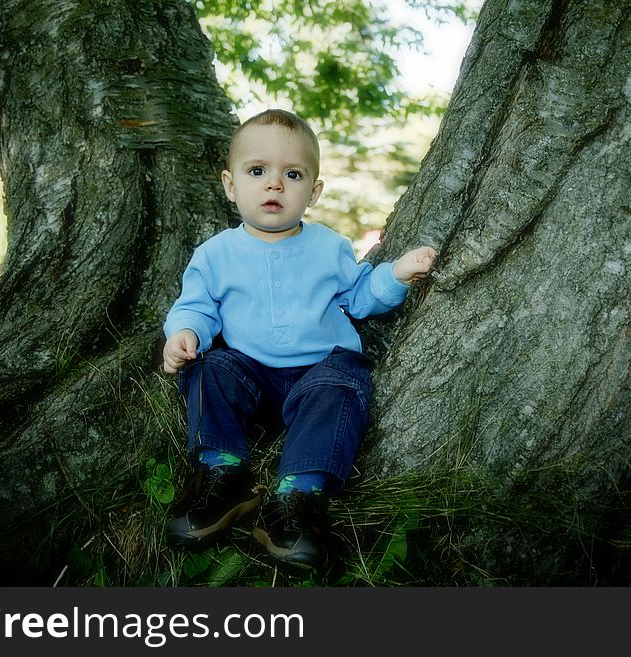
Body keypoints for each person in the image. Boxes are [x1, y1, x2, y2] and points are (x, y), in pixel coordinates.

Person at [162, 108, 436, 571]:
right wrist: (184, 333)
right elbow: (196, 305)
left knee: (343, 382)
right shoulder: (215, 254)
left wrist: (397, 274)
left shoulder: (329, 246)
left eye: (293, 174)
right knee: (209, 370)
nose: (275, 185)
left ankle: (296, 499)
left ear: (314, 191)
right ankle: (222, 471)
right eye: (257, 171)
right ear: (231, 185)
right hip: (248, 369)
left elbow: (359, 295)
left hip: (319, 371)